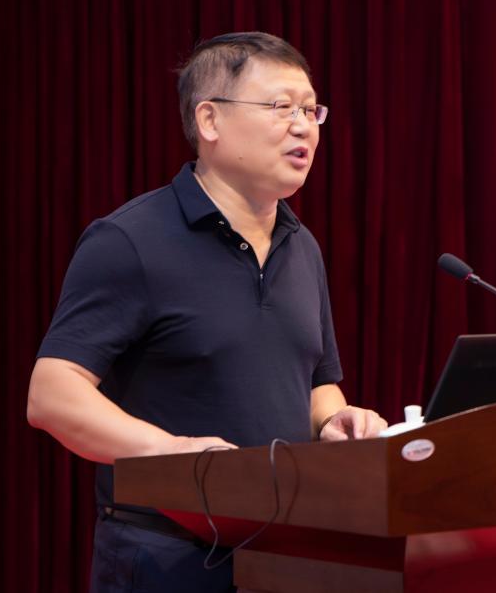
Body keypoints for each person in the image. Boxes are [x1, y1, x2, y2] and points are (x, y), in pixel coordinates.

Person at [26, 32, 388, 592]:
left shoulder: (302, 247)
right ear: (210, 120)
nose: (303, 127)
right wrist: (173, 452)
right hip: (167, 555)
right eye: (281, 107)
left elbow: (317, 384)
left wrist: (333, 422)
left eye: (311, 109)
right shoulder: (130, 240)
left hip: (283, 552)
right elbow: (52, 394)